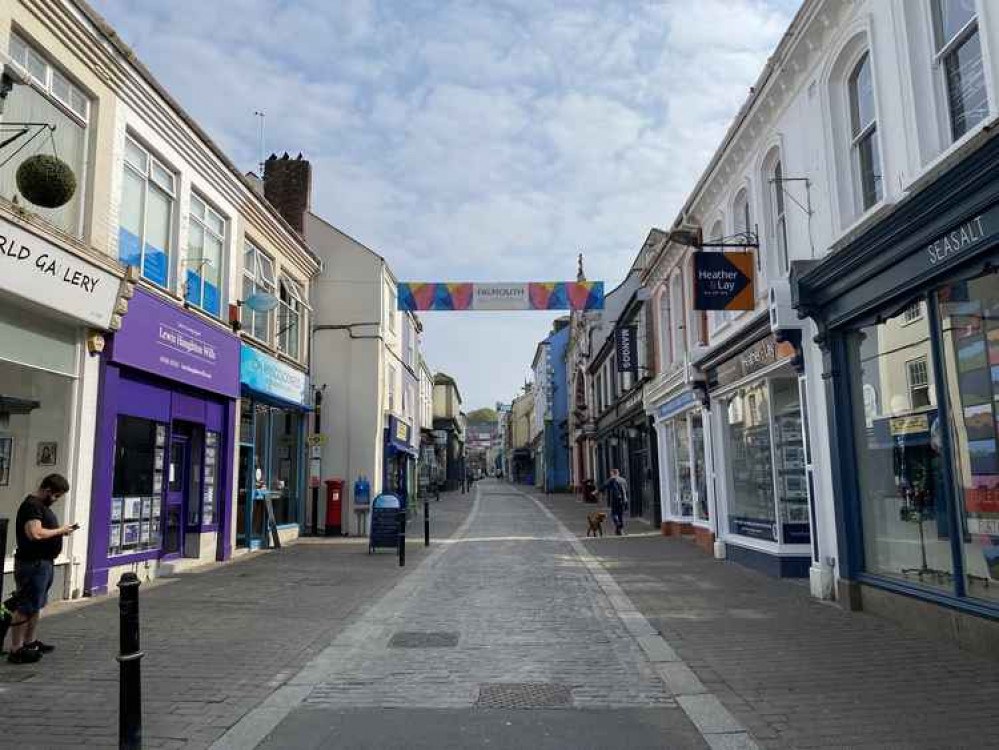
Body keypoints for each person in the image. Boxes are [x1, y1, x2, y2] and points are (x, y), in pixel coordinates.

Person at [7, 473, 76, 664]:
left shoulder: (41, 507)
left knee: (36, 605)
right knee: (25, 606)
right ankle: (16, 648)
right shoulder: (32, 506)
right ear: (47, 490)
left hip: (43, 563)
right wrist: (61, 530)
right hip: (32, 564)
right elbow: (35, 534)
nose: (56, 500)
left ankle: (30, 642)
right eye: (56, 496)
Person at [601, 468, 629, 536]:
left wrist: (597, 491)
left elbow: (604, 486)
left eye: (611, 474)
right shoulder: (623, 480)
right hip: (622, 500)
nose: (611, 475)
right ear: (618, 473)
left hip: (615, 500)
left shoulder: (612, 479)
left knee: (613, 514)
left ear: (613, 473)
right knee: (620, 515)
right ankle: (619, 530)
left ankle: (617, 524)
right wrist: (625, 498)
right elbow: (626, 489)